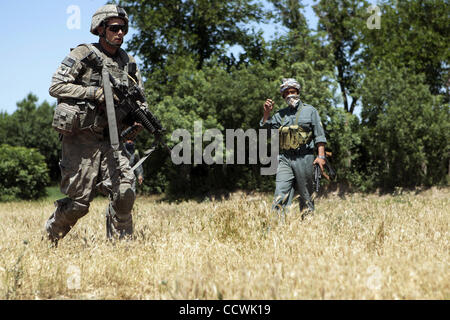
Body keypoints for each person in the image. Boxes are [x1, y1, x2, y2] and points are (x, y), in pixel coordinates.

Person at [45, 5, 148, 244]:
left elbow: (141, 99)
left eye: (123, 28)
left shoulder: (128, 62)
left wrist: (139, 117)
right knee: (79, 204)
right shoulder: (84, 53)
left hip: (113, 138)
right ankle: (49, 238)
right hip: (81, 138)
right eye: (114, 28)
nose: (120, 33)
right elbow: (56, 86)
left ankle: (121, 248)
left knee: (124, 192)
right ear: (100, 29)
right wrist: (95, 92)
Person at [261, 78, 327, 218]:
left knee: (306, 196)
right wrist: (267, 113)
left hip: (305, 157)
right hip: (285, 158)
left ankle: (308, 227)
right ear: (283, 96)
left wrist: (321, 157)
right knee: (280, 194)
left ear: (298, 92)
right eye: (287, 93)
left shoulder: (310, 111)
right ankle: (276, 228)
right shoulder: (280, 114)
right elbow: (267, 129)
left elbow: (319, 136)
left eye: (293, 91)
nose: (290, 95)